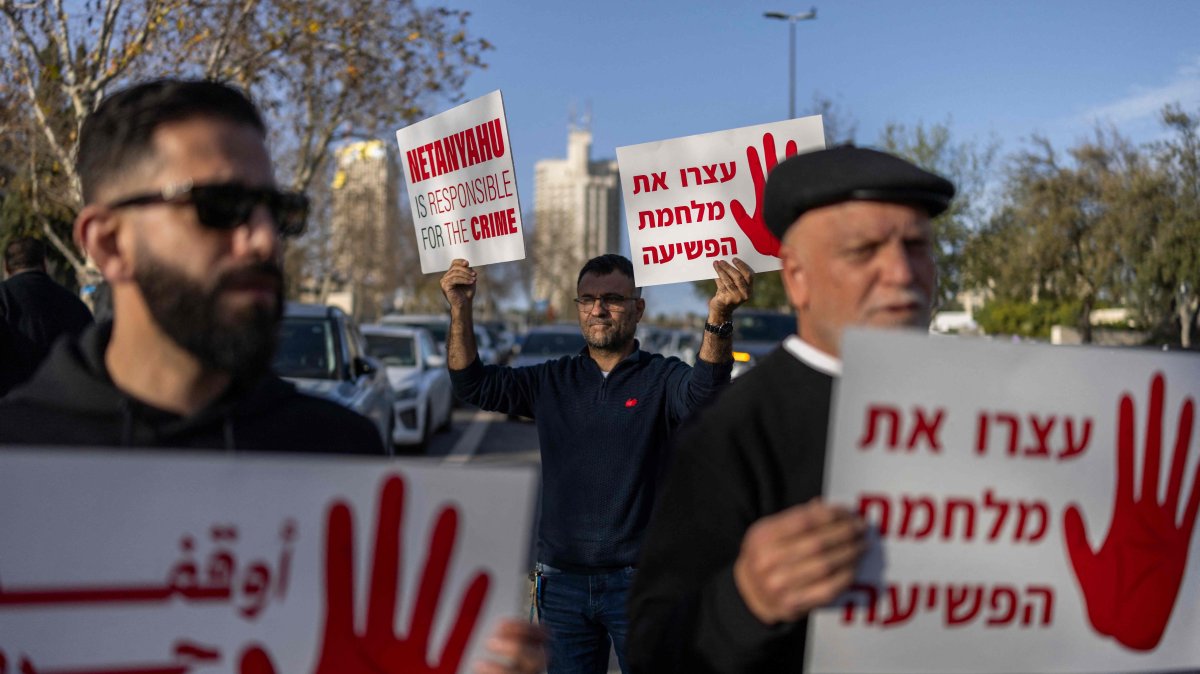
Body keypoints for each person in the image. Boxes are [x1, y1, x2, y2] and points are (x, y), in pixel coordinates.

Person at [0, 78, 545, 674]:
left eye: (278, 213)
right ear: (108, 242)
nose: (263, 239)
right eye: (220, 208)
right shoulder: (17, 457)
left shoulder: (340, 454)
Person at [626, 145, 957, 673]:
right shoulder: (730, 432)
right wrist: (746, 599)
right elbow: (652, 648)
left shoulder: (991, 413)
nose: (900, 272)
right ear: (797, 277)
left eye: (917, 246)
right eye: (864, 250)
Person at [441, 252, 754, 673]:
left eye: (612, 298)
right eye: (587, 299)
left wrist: (718, 316)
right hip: (562, 584)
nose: (598, 309)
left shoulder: (662, 378)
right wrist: (460, 306)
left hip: (641, 582)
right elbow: (472, 383)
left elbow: (704, 395)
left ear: (638, 309)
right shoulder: (551, 379)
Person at [0, 236, 94, 396]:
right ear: (44, 264)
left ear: (6, 267)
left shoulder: (4, 298)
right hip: (64, 406)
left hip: (10, 407)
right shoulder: (74, 304)